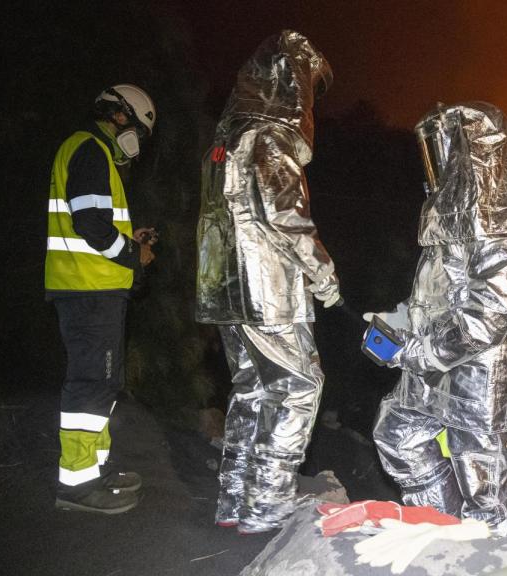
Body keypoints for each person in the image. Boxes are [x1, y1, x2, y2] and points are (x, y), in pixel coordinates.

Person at [368, 102, 507, 537]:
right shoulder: (454, 221)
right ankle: (440, 528)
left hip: (476, 377)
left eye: (442, 149)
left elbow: (490, 312)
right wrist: (401, 320)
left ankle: (489, 551)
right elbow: (436, 293)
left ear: (474, 154)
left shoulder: (500, 228)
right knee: (396, 434)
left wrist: (421, 351)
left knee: (480, 478)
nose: (434, 165)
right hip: (432, 370)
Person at [195, 30, 340, 534]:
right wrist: (323, 272)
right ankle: (268, 503)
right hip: (267, 292)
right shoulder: (269, 139)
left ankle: (235, 499)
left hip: (225, 291)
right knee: (298, 386)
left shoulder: (225, 144)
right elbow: (286, 216)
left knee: (252, 388)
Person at [45, 84, 158, 514]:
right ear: (121, 116)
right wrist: (134, 253)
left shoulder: (91, 152)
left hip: (91, 289)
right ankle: (76, 485)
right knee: (92, 383)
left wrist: (131, 239)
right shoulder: (91, 150)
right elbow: (91, 224)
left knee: (102, 383)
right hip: (88, 291)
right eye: (140, 133)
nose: (137, 144)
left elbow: (92, 223)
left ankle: (95, 470)